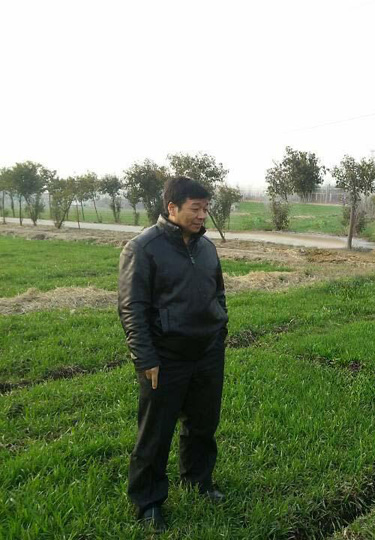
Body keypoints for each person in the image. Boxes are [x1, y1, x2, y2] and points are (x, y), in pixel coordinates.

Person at [118, 176, 229, 532]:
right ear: (172, 208)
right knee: (155, 433)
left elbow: (218, 293)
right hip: (165, 358)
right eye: (195, 209)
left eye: (205, 208)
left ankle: (198, 479)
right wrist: (145, 358)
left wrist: (219, 330)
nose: (202, 216)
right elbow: (132, 309)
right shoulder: (142, 249)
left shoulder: (206, 247)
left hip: (207, 353)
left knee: (203, 424)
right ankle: (148, 501)